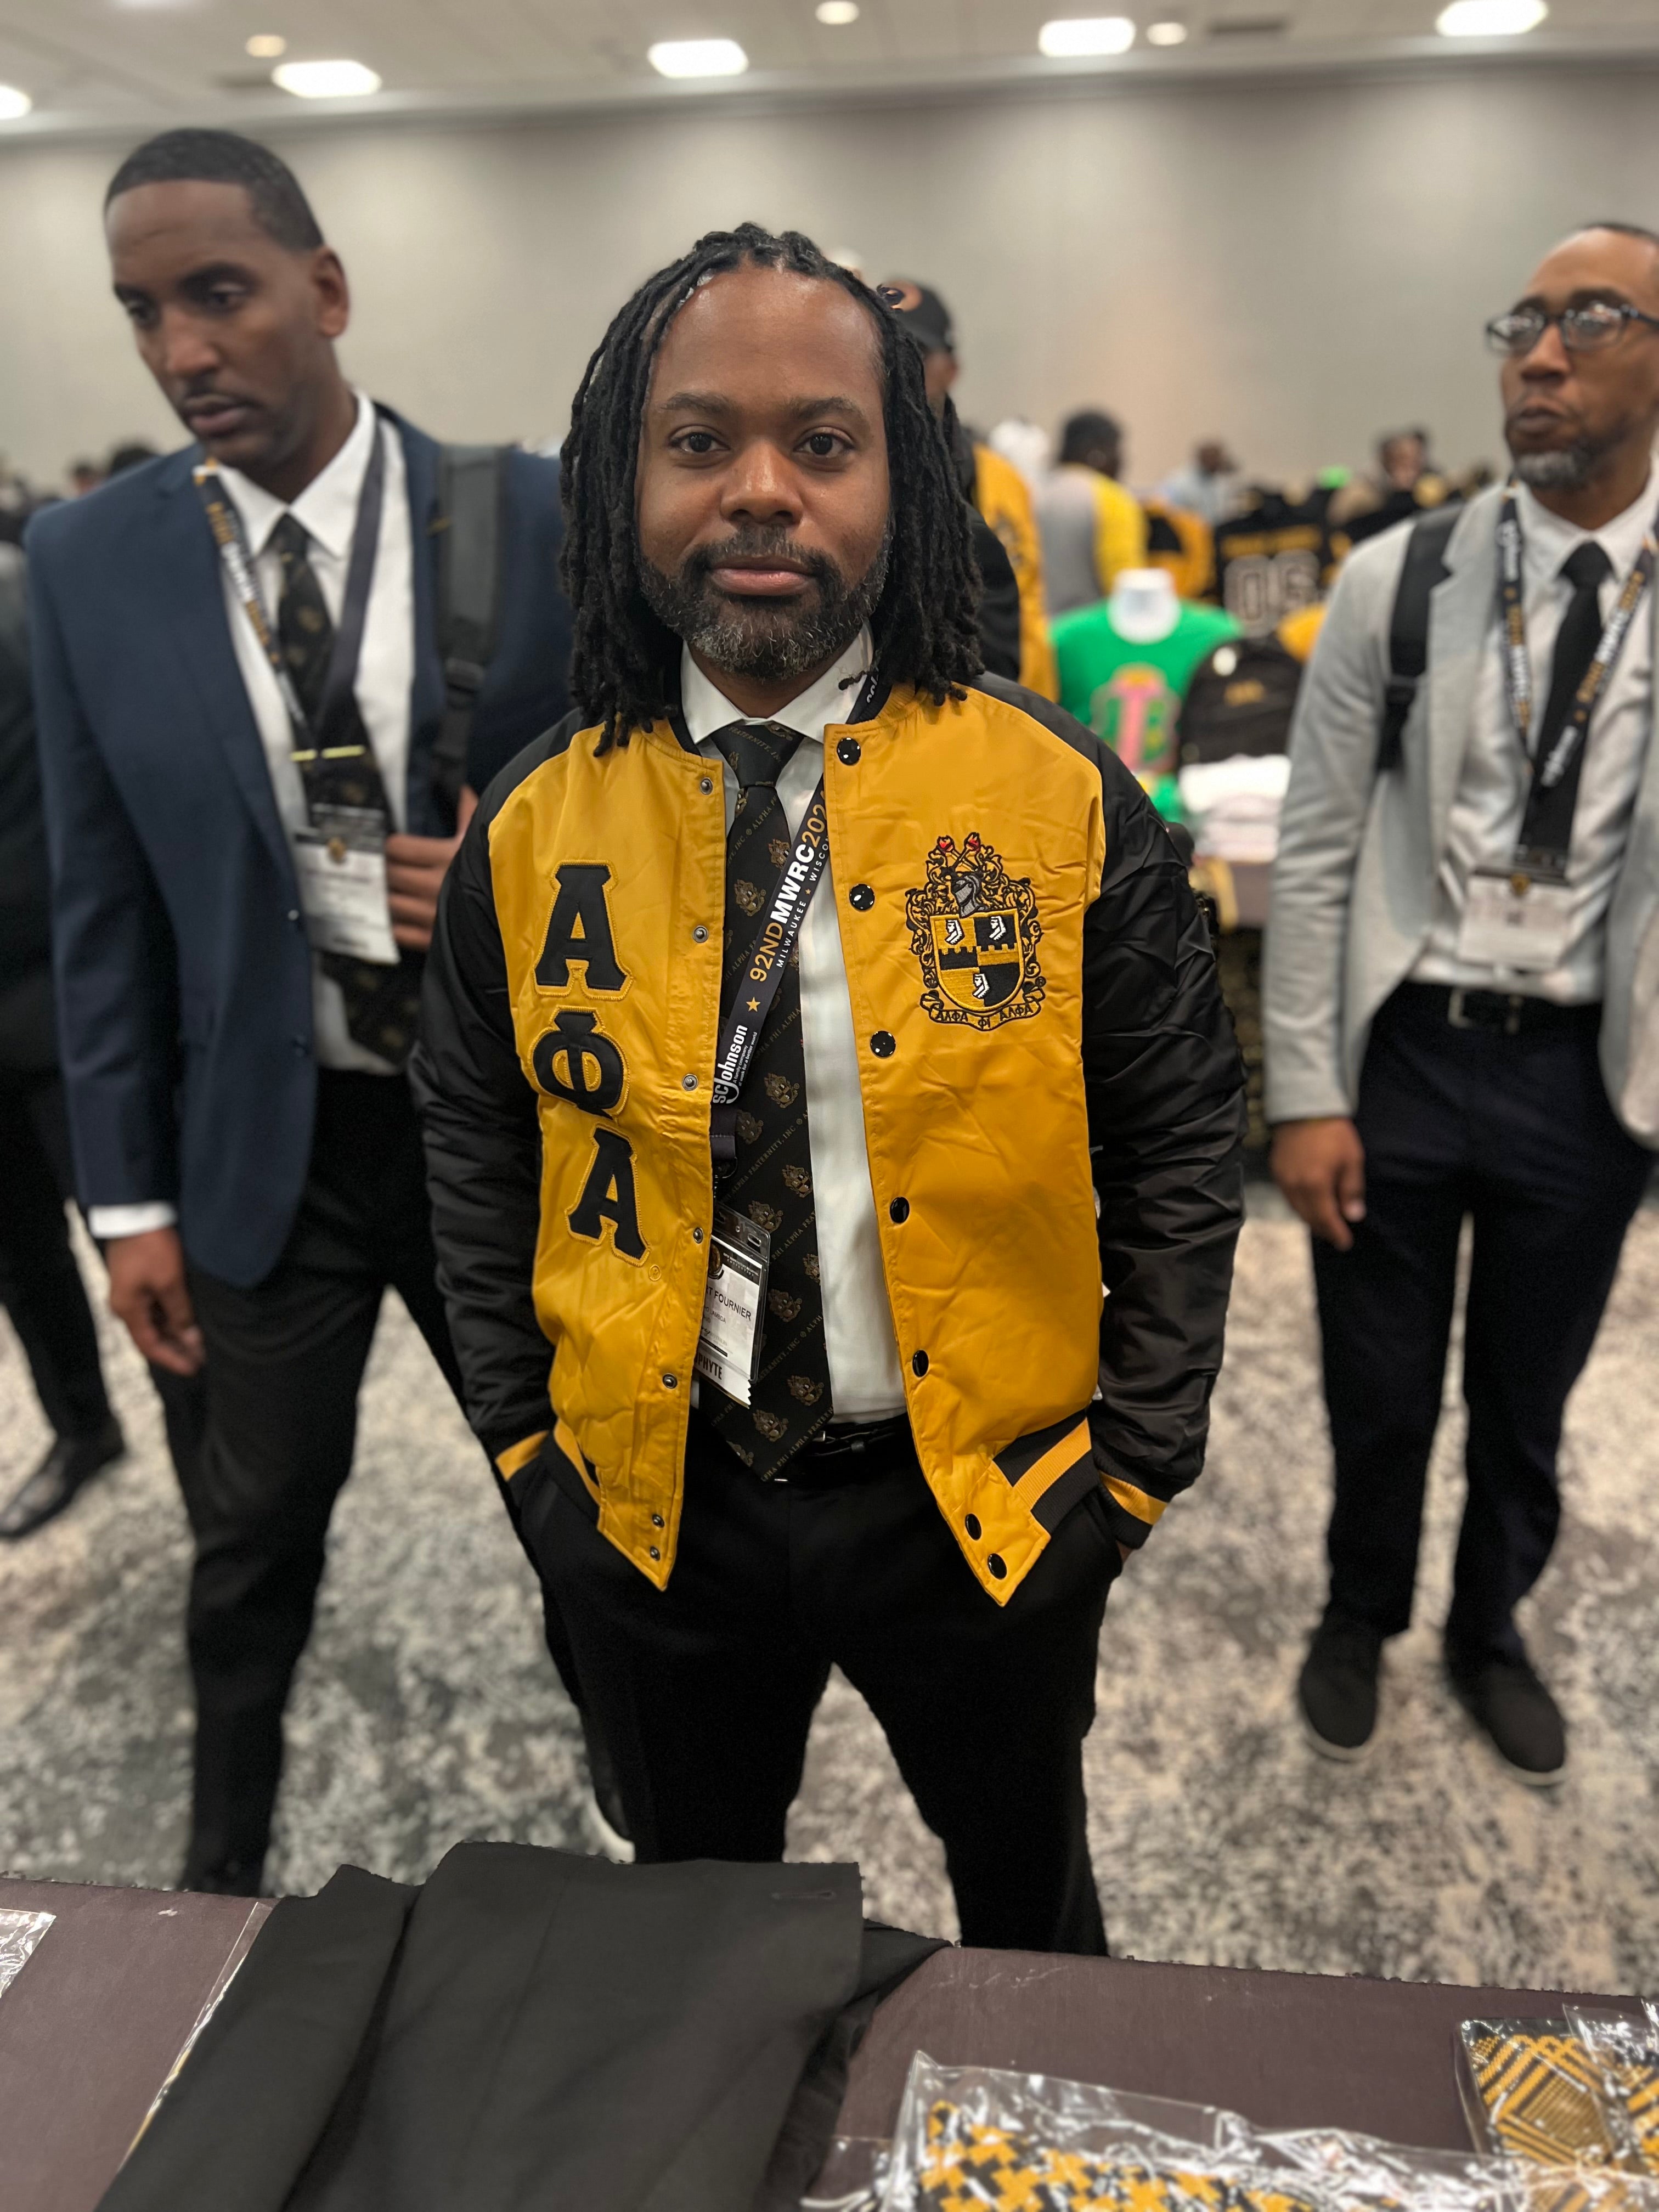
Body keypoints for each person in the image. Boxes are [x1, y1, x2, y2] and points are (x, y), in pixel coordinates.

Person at [414, 221, 1245, 1955]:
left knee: (1031, 1919)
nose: (760, 491)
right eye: (699, 441)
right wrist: (525, 1449)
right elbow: (479, 1131)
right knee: (693, 1936)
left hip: (985, 1502)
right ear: (622, 483)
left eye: (824, 442)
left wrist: (1136, 1463)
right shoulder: (537, 819)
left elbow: (1178, 1130)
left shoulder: (1060, 797)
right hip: (657, 1502)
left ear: (905, 482)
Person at [29, 128, 572, 1894]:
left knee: (585, 1522)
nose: (182, 350)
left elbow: (667, 795)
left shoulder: (534, 516)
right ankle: (216, 1878)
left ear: (325, 292)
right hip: (270, 1138)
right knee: (249, 1540)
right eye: (142, 312)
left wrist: (522, 869)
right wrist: (128, 1203)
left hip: (508, 1140)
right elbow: (102, 906)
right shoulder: (91, 562)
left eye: (219, 294)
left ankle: (666, 1836)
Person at [1266, 222, 1659, 1785]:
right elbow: (1314, 846)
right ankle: (1357, 1610)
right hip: (1409, 1050)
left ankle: (1489, 1631)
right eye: (1523, 325)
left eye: (1590, 319)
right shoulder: (1401, 577)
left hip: (1588, 1068)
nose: (1540, 357)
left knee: (1527, 1395)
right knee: (1376, 1388)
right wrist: (1305, 1088)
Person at [0, 537, 128, 1536]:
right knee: (19, 1256)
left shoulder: (21, 597)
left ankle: (218, 1468)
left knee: (132, 1233)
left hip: (57, 997)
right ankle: (81, 1426)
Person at [881, 278, 1057, 698]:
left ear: (952, 369)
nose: (897, 366)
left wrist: (1029, 714)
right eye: (883, 349)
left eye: (916, 352)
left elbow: (1027, 613)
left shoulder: (1000, 481)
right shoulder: (839, 476)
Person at [1039, 409, 1150, 617]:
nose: (1122, 460)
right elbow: (1126, 588)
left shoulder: (1033, 493)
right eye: (1116, 449)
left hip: (1035, 632)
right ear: (1097, 453)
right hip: (1091, 634)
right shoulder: (1111, 498)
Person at [1159, 439, 1241, 530]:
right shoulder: (1179, 482)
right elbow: (1168, 513)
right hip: (1189, 533)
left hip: (1215, 532)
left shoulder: (1219, 481)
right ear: (1201, 458)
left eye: (1219, 458)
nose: (1217, 462)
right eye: (1213, 458)